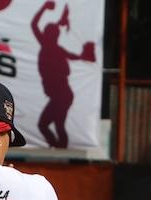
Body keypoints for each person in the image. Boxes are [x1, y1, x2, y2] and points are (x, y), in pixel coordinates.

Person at [31, 1, 95, 148]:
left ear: (51, 36)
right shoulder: (53, 48)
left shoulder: (51, 48)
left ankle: (59, 152)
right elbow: (34, 25)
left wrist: (44, 8)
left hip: (62, 95)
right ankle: (59, 151)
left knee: (45, 124)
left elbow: (34, 25)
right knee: (57, 125)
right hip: (62, 95)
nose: (45, 34)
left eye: (47, 32)